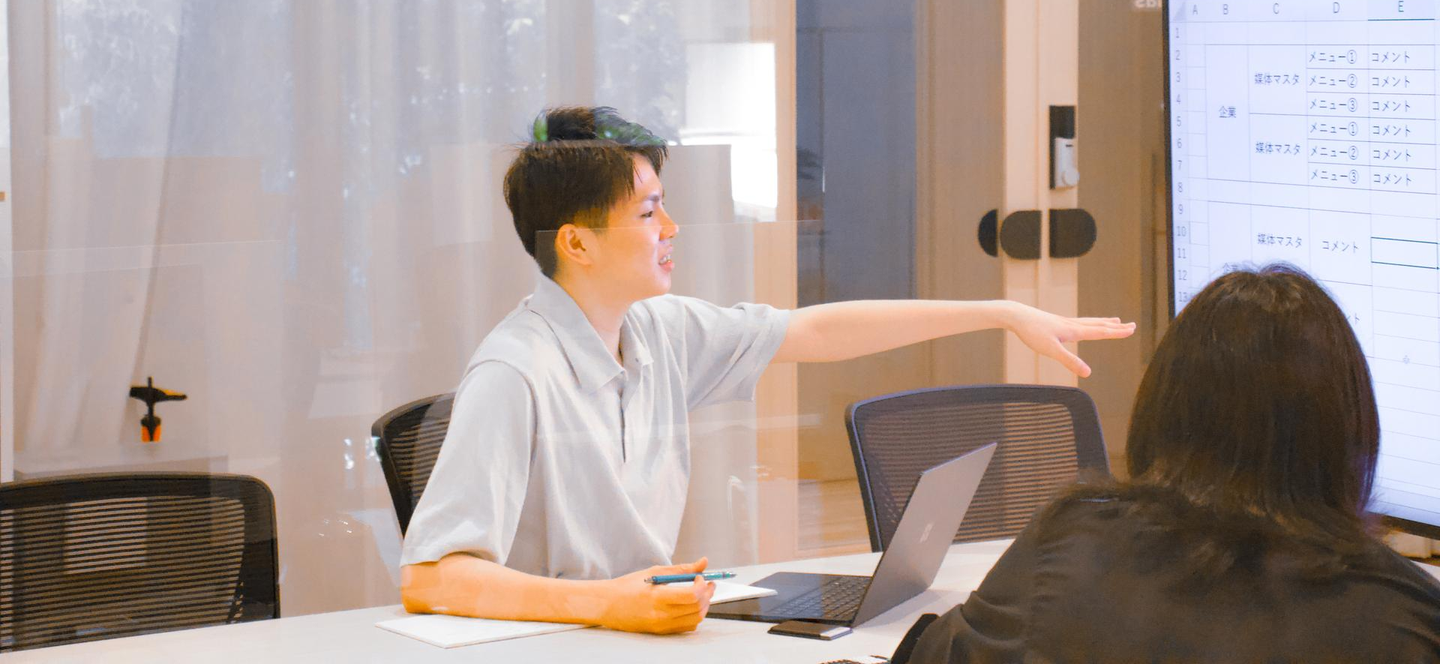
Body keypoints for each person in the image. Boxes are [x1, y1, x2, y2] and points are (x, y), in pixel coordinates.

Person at [398, 105, 1134, 634]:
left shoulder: (658, 330)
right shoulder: (513, 373)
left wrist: (999, 312)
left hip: (638, 636)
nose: (672, 229)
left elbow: (814, 330)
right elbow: (430, 578)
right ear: (577, 244)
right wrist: (607, 604)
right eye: (649, 214)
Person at [892, 264, 1440, 664]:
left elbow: (937, 653)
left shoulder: (1072, 540)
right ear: (1349, 425)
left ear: (1164, 408)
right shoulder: (1403, 613)